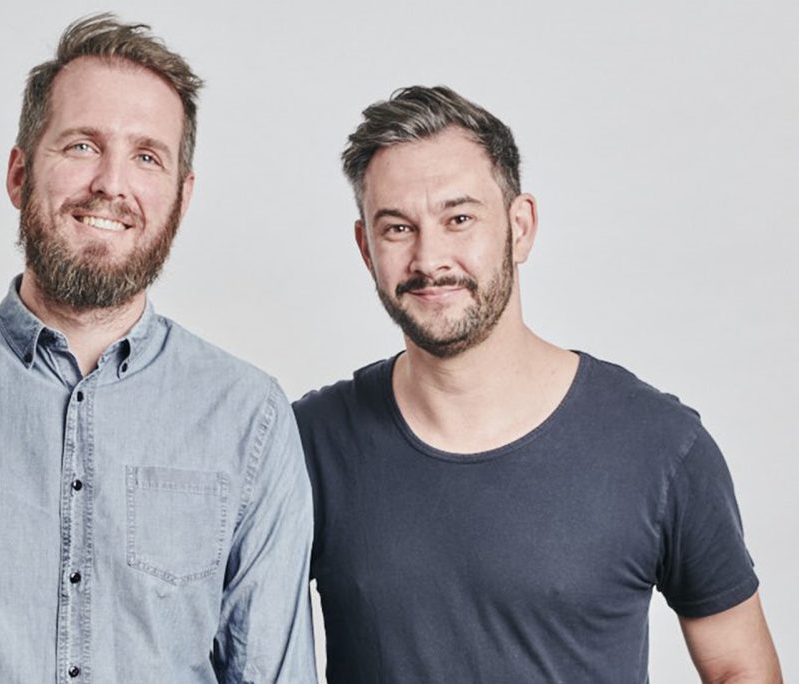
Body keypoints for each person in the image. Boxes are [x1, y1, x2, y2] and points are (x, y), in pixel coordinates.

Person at [0, 14, 316, 683]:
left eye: (147, 156)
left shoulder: (249, 418)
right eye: (81, 145)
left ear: (181, 199)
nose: (111, 184)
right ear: (19, 174)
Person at [294, 86, 781, 682]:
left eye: (459, 219)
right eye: (397, 228)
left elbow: (741, 667)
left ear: (519, 227)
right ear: (366, 249)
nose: (430, 258)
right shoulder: (307, 445)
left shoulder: (659, 446)